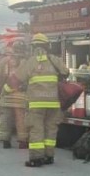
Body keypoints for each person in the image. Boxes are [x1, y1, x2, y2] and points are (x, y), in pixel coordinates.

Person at [11, 33, 70, 168]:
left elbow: (17, 78)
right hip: (53, 103)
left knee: (36, 130)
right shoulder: (54, 60)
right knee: (50, 129)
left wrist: (8, 89)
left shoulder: (30, 62)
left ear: (33, 47)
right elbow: (66, 72)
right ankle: (49, 156)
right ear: (47, 46)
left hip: (36, 103)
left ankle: (36, 159)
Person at [0, 41, 29, 149]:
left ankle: (5, 141)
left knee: (5, 119)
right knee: (21, 120)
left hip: (7, 95)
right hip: (21, 97)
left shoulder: (6, 60)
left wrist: (2, 81)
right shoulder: (27, 61)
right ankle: (22, 142)